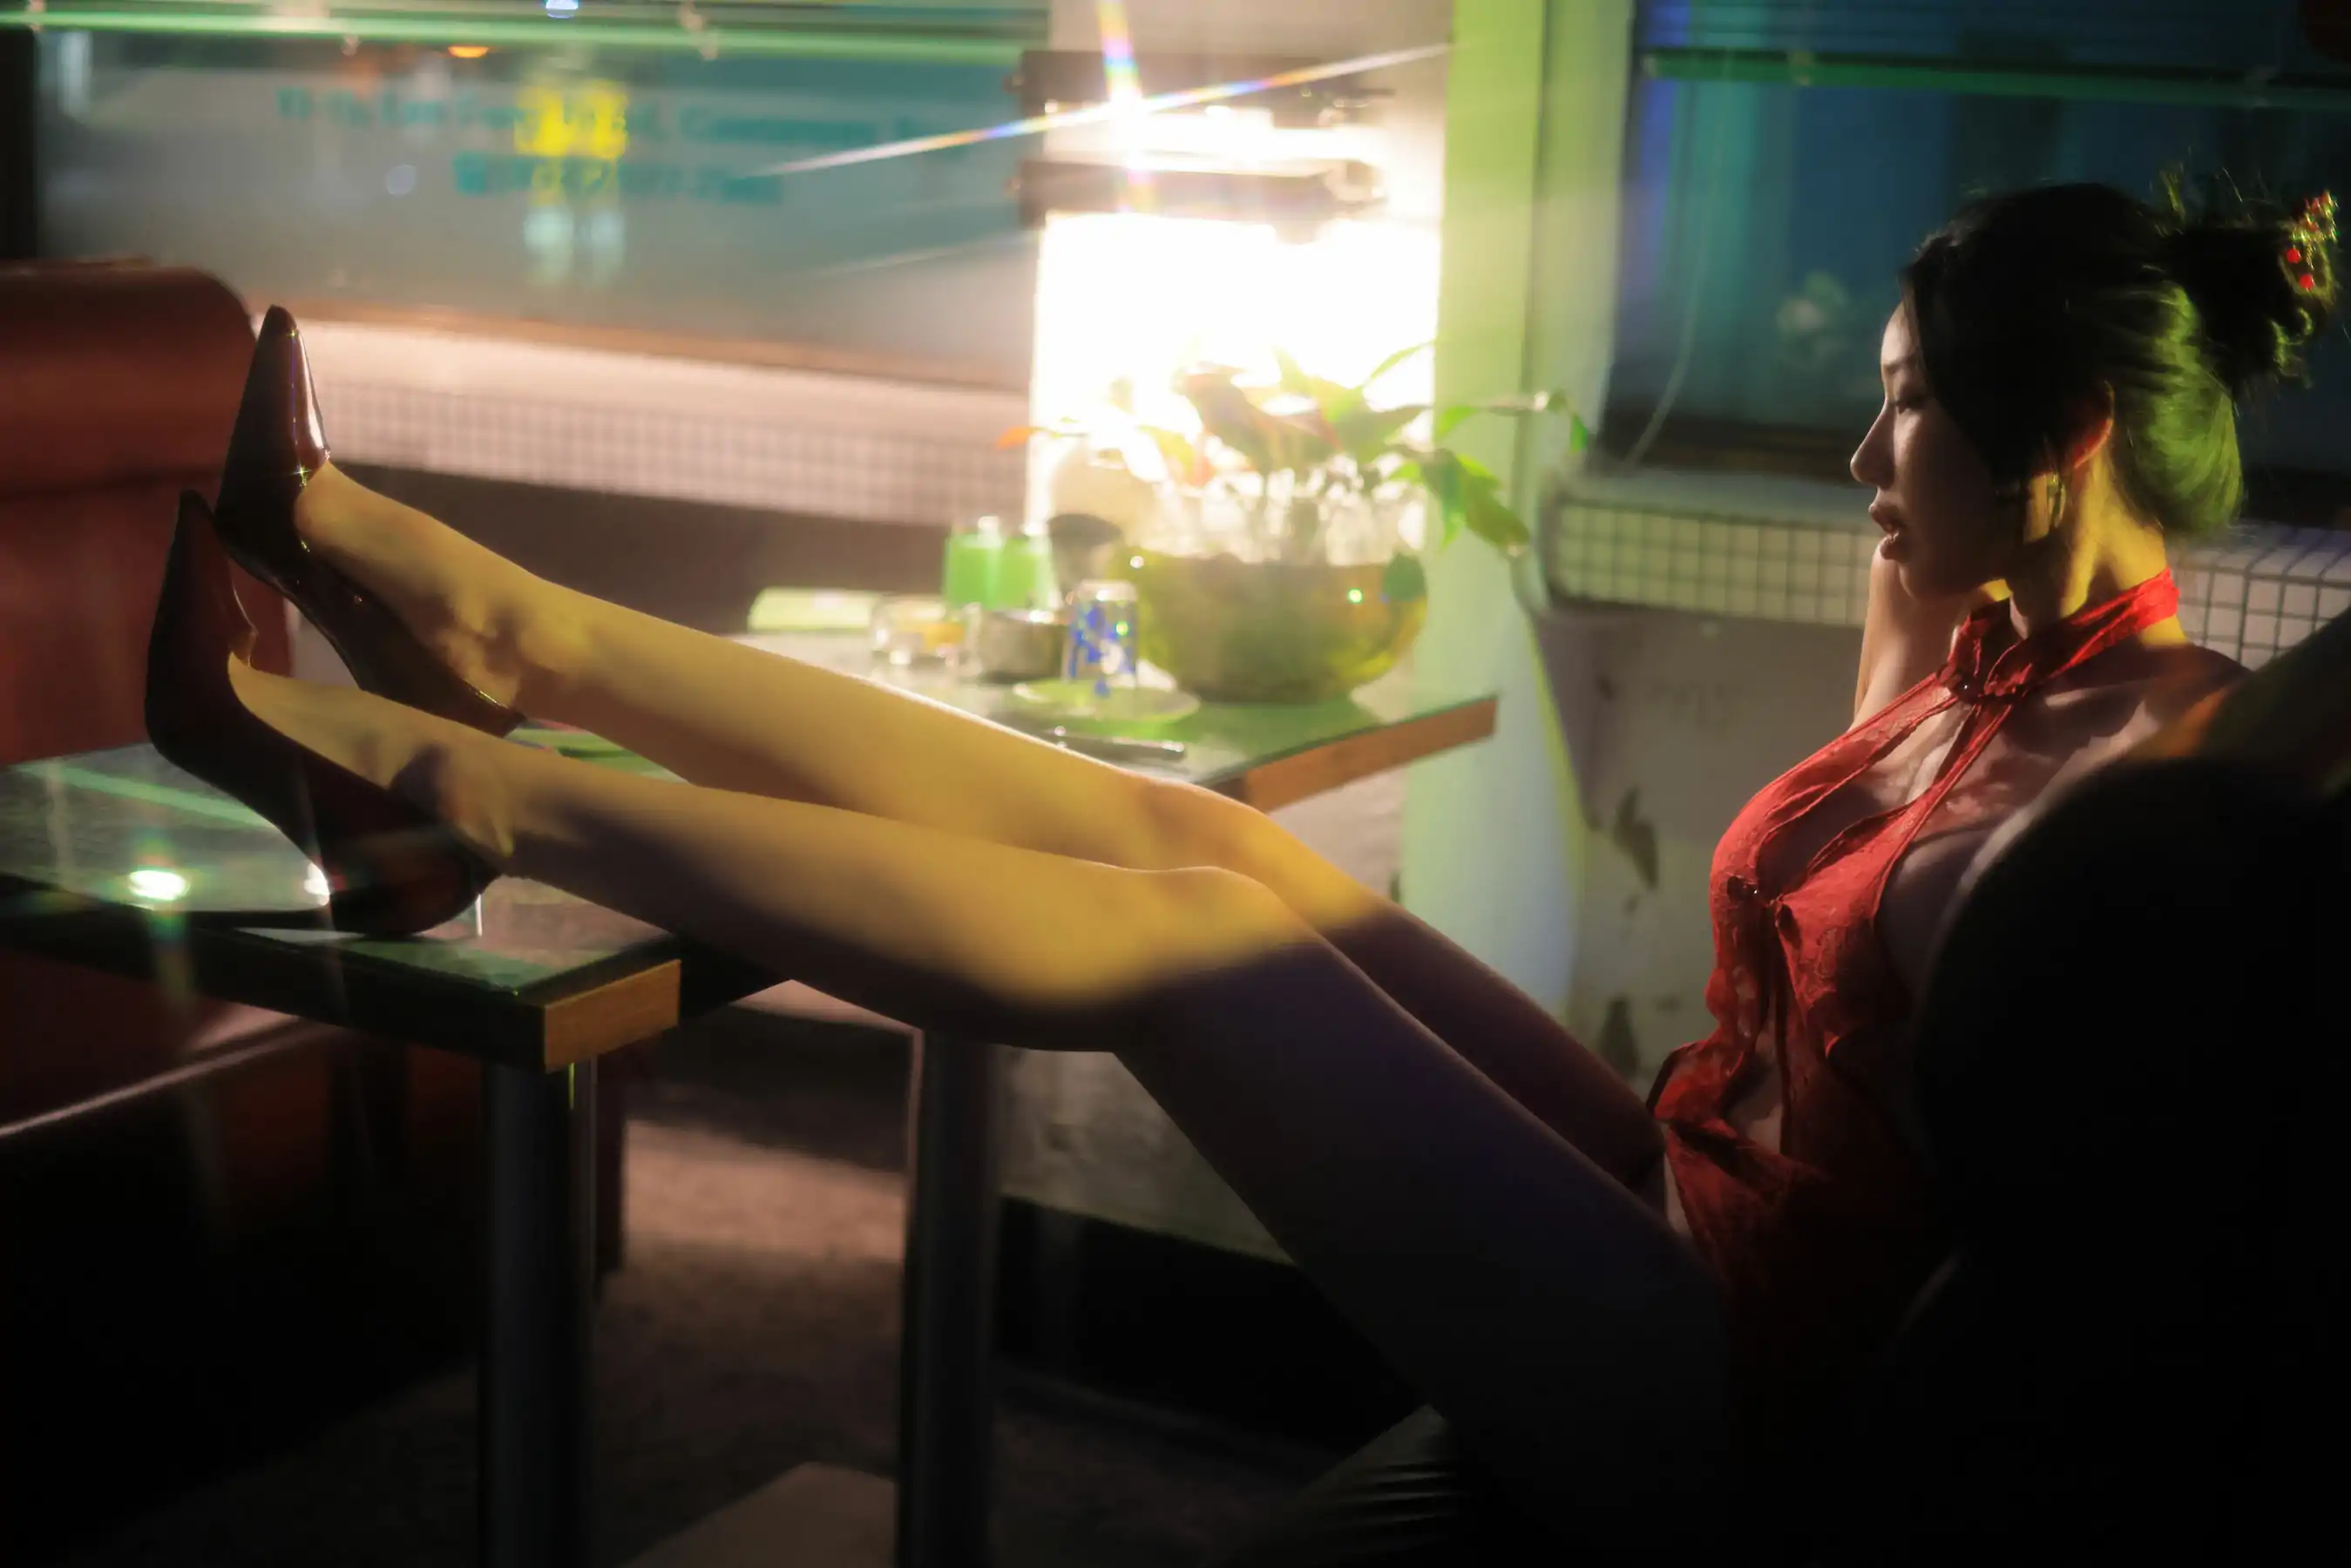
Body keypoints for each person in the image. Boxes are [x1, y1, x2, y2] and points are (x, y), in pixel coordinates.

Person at [141, 179, 2335, 1565]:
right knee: (1211, 840)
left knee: (1197, 951)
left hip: (1751, 1407)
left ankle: (441, 785)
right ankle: (473, 616)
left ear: (2058, 447)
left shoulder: (2147, 800)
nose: (1859, 454)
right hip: (1677, 1193)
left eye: (1902, 410)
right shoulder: (1955, 634)